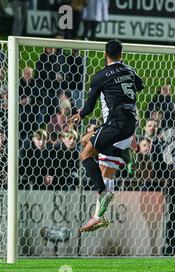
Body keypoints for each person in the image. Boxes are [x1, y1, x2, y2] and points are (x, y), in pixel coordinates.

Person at [69, 39, 144, 232]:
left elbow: (90, 104)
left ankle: (102, 197)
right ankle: (124, 153)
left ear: (105, 54)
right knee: (86, 140)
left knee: (86, 156)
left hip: (115, 124)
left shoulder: (101, 76)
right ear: (122, 54)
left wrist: (80, 114)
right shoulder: (129, 70)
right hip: (130, 124)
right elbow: (140, 85)